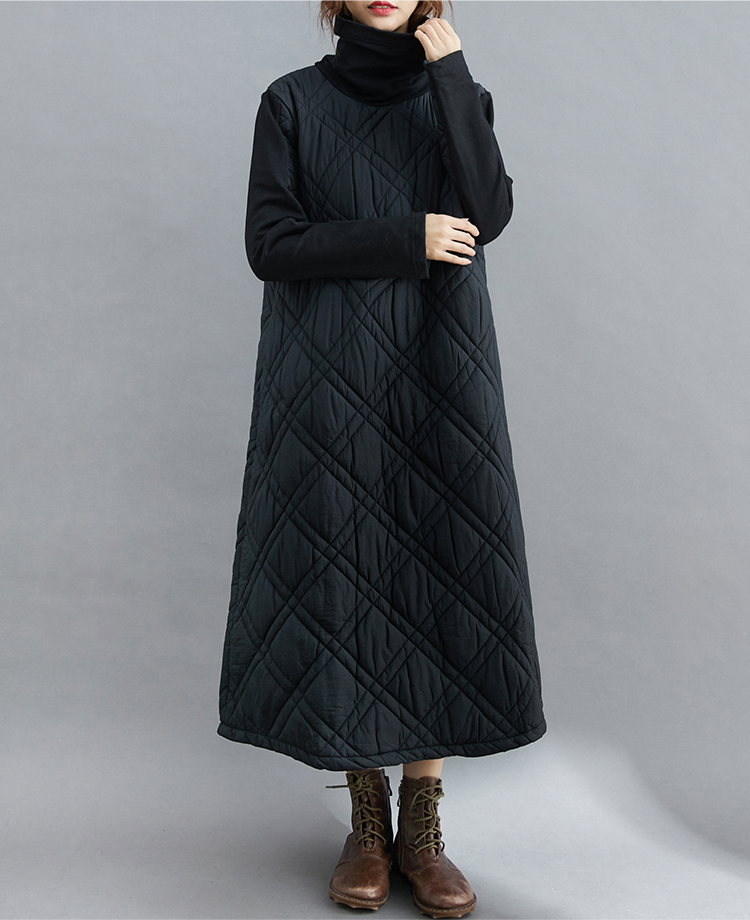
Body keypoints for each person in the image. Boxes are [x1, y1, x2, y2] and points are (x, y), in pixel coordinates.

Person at [217, 2, 546, 916]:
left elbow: (489, 214)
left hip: (441, 370)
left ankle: (422, 827)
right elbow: (269, 244)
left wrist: (450, 74)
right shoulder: (290, 102)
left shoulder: (458, 93)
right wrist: (406, 235)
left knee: (440, 574)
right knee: (344, 582)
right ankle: (367, 822)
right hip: (327, 377)